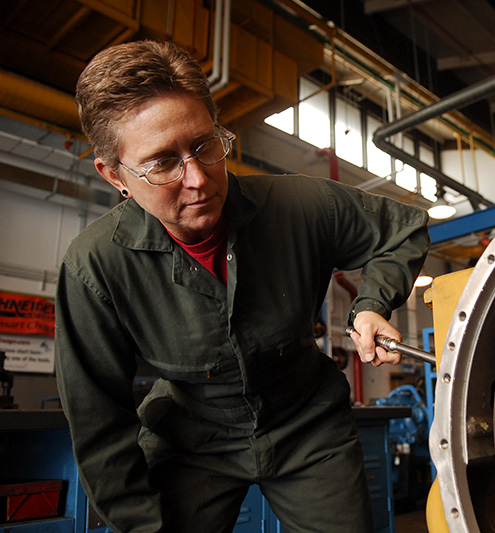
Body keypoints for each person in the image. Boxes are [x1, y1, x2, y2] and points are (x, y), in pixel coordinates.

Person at [55, 40, 429, 532]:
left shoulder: (300, 207)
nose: (198, 179)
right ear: (115, 175)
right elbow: (99, 425)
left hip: (308, 425)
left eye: (205, 146)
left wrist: (370, 303)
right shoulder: (95, 267)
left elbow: (402, 231)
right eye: (163, 163)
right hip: (190, 441)